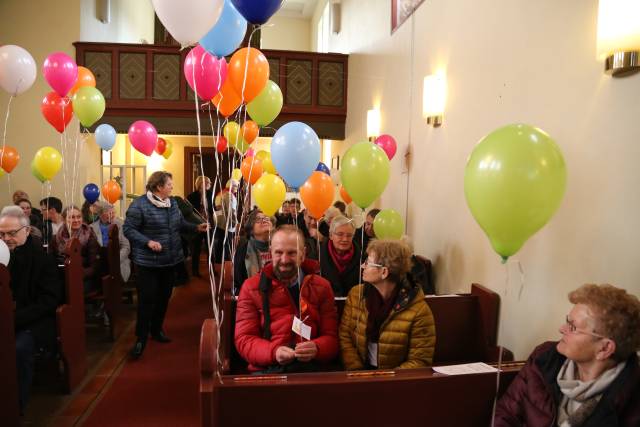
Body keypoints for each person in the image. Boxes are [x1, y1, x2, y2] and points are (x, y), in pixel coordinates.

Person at [495, 284, 640, 427]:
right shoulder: (543, 358)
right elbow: (505, 414)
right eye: (567, 321)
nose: (562, 329)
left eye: (573, 327)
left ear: (605, 348)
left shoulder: (632, 399)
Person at [123, 171, 207, 359]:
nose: (172, 186)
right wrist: (147, 242)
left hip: (170, 260)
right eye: (169, 184)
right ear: (159, 187)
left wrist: (195, 227)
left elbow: (179, 224)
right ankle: (140, 338)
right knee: (147, 299)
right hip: (147, 263)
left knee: (163, 297)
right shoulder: (139, 205)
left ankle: (156, 329)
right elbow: (128, 229)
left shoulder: (172, 203)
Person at [235, 225, 338, 373]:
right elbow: (244, 339)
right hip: (268, 369)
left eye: (292, 253)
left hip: (311, 369)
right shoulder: (251, 287)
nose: (284, 260)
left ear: (303, 255)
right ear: (271, 253)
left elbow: (332, 337)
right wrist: (273, 352)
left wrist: (317, 347)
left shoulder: (322, 287)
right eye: (278, 252)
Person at [339, 239, 436, 370]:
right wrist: (357, 371)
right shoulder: (356, 295)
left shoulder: (418, 310)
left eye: (368, 263)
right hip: (359, 374)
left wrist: (387, 380)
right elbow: (345, 337)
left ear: (384, 272)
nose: (362, 265)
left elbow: (419, 359)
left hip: (396, 381)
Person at [0, 206, 61, 411]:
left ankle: (15, 404)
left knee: (17, 348)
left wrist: (14, 319)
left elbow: (49, 301)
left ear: (26, 231)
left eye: (11, 233)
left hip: (34, 322)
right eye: (1, 234)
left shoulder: (42, 258)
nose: (6, 238)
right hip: (6, 318)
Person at [51, 205, 100, 294]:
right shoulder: (56, 238)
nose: (76, 220)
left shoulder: (89, 236)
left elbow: (94, 266)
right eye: (72, 217)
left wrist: (78, 274)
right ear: (64, 219)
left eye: (78, 217)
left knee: (69, 289)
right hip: (62, 275)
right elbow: (52, 261)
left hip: (85, 276)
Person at [319, 215, 361, 297]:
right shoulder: (318, 254)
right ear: (331, 235)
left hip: (351, 304)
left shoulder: (361, 257)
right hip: (326, 303)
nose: (345, 239)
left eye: (349, 235)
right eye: (340, 234)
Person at [233, 209, 274, 295]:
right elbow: (239, 281)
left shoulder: (282, 247)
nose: (264, 220)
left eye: (267, 218)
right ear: (251, 230)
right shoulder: (242, 251)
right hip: (251, 296)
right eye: (258, 219)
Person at [89, 201, 131, 282]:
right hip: (100, 262)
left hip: (119, 261)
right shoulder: (92, 227)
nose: (112, 215)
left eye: (113, 212)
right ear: (101, 214)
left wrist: (115, 260)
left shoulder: (121, 225)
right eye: (109, 213)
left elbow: (126, 247)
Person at [186, 176, 212, 277]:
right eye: (208, 182)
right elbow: (189, 213)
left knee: (210, 249)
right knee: (196, 249)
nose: (210, 184)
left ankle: (211, 270)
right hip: (197, 225)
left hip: (208, 224)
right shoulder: (191, 196)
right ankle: (195, 271)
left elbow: (212, 208)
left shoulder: (210, 194)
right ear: (201, 183)